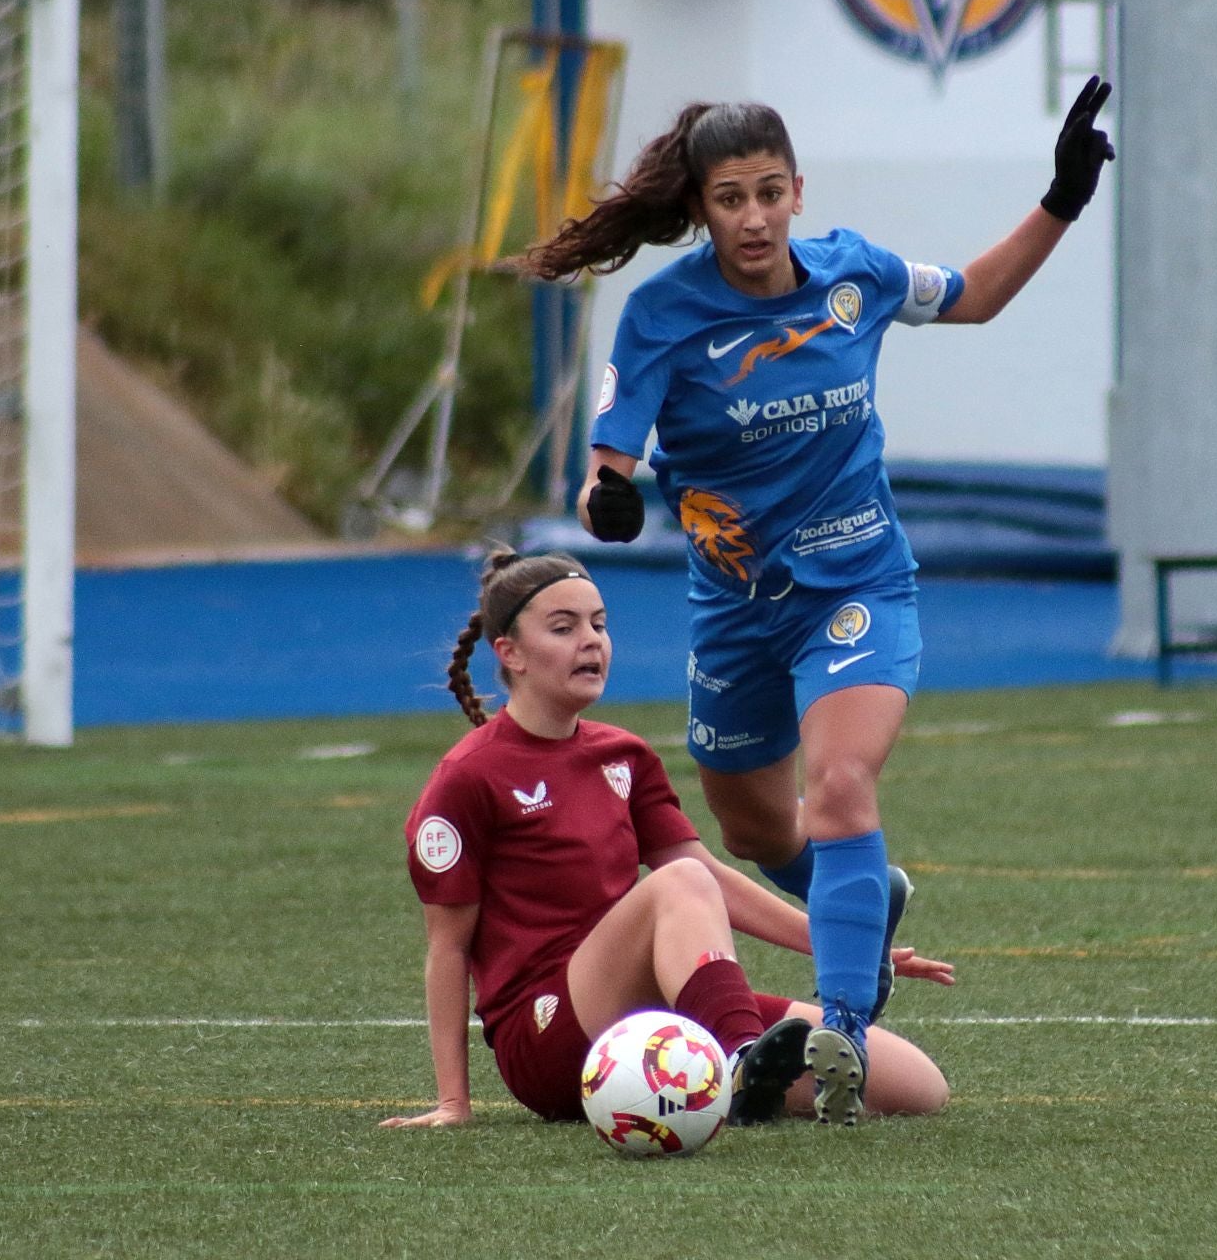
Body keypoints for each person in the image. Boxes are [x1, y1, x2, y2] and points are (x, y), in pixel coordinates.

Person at [516, 80, 1114, 1114]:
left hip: (859, 582)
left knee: (841, 787)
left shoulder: (855, 275)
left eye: (768, 194)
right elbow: (605, 466)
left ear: (799, 191)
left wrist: (1059, 199)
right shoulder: (663, 314)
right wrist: (609, 499)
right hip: (737, 610)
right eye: (730, 199)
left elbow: (974, 293)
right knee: (751, 826)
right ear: (701, 208)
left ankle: (837, 1028)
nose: (752, 218)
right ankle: (863, 894)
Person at [381, 548, 953, 1131]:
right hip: (548, 1037)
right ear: (510, 653)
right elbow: (447, 949)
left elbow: (706, 873)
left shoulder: (624, 755)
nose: (591, 641)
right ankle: (736, 1060)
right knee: (679, 881)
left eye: (599, 624)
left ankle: (741, 1067)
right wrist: (454, 1102)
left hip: (652, 1008)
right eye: (564, 627)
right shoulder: (467, 777)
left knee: (914, 1083)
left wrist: (837, 941)